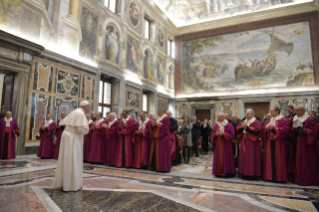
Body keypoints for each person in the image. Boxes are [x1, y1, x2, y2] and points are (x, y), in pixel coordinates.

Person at [53, 101, 90, 191]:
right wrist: (86, 129)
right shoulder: (81, 114)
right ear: (86, 107)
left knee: (66, 159)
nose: (89, 109)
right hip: (73, 138)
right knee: (73, 159)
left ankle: (64, 182)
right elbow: (80, 129)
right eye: (89, 107)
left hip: (67, 136)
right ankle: (71, 185)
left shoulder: (75, 111)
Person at [288, 105, 318, 186]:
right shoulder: (293, 119)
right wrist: (291, 131)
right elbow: (289, 130)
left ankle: (305, 179)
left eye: (298, 110)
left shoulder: (309, 120)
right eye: (296, 110)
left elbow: (314, 131)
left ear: (304, 111)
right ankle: (294, 177)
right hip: (295, 142)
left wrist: (305, 131)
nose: (296, 112)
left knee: (305, 161)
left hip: (305, 145)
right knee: (294, 159)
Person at [262, 107, 289, 182]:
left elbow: (285, 130)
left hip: (278, 143)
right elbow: (264, 129)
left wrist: (274, 128)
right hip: (269, 143)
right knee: (269, 160)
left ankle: (279, 177)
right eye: (270, 111)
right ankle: (269, 176)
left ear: (277, 111)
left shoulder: (283, 121)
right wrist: (267, 129)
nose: (270, 113)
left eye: (272, 111)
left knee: (279, 160)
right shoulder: (268, 121)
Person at [237, 109, 262, 179]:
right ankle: (243, 173)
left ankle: (252, 173)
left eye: (248, 114)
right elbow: (238, 129)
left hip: (252, 142)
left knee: (251, 157)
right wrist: (242, 128)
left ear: (253, 114)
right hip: (243, 141)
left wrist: (247, 128)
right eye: (246, 113)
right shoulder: (244, 121)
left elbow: (257, 131)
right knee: (243, 157)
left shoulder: (256, 122)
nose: (246, 115)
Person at [211, 113, 235, 177]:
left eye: (219, 117)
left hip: (226, 145)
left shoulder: (229, 125)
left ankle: (227, 172)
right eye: (218, 117)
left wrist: (223, 134)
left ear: (223, 117)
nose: (218, 118)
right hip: (218, 145)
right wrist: (215, 134)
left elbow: (232, 135)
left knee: (226, 157)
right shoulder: (216, 125)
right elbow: (212, 134)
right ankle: (218, 172)